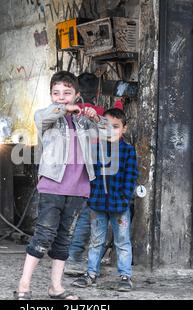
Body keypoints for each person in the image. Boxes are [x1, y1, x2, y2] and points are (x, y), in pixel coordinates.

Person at [14, 71, 113, 300]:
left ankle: (55, 288)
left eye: (67, 93)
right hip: (52, 187)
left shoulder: (84, 121)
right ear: (50, 95)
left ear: (77, 95)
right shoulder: (47, 117)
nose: (61, 97)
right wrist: (64, 108)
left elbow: (110, 133)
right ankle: (23, 285)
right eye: (56, 93)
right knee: (43, 236)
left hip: (78, 189)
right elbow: (43, 117)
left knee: (64, 239)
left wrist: (96, 118)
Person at [72, 108, 138, 292]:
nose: (110, 130)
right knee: (96, 240)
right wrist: (90, 196)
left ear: (124, 129)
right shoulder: (96, 149)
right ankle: (91, 273)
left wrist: (125, 197)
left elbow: (131, 177)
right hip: (98, 203)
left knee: (122, 241)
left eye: (116, 127)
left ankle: (125, 276)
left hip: (119, 206)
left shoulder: (128, 151)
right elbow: (89, 174)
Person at [65, 73, 124, 276]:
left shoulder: (69, 112)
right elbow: (114, 126)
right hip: (92, 170)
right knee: (87, 214)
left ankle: (69, 255)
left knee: (71, 213)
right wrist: (119, 102)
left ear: (77, 92)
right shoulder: (98, 113)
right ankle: (73, 256)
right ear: (98, 92)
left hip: (70, 169)